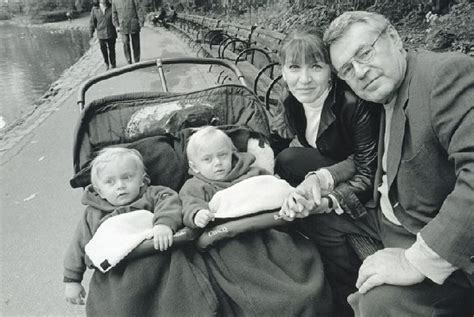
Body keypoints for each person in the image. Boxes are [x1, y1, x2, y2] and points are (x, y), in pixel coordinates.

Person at [291, 11, 474, 316]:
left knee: (379, 304)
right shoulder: (382, 93)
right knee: (315, 219)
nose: (360, 71)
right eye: (347, 69)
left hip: (428, 231)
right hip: (387, 214)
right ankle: (349, 294)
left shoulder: (444, 75)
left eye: (364, 52)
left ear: (394, 38)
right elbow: (371, 159)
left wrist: (414, 260)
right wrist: (322, 181)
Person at [179, 126, 333, 316]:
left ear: (233, 153)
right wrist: (197, 214)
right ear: (195, 167)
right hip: (233, 242)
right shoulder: (196, 185)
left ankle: (307, 299)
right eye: (207, 159)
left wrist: (289, 197)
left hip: (272, 231)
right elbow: (188, 206)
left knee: (300, 268)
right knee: (258, 292)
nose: (218, 163)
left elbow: (274, 188)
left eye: (222, 155)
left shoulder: (253, 172)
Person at [274, 26, 379, 222]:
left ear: (330, 71)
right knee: (283, 160)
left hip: (356, 177)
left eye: (316, 67)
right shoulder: (291, 98)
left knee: (287, 159)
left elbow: (368, 170)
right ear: (283, 72)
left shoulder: (352, 103)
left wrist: (328, 197)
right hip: (327, 166)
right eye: (294, 67)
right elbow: (276, 139)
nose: (304, 80)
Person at [63, 147, 182, 305]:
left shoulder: (154, 195)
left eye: (127, 177)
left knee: (179, 291)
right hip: (117, 272)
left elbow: (170, 203)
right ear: (100, 191)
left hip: (157, 261)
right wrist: (72, 280)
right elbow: (78, 245)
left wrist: (164, 224)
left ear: (142, 179)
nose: (120, 185)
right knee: (110, 304)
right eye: (110, 182)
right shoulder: (93, 214)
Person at [112, 0, 144, 64]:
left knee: (136, 43)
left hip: (133, 23)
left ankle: (137, 60)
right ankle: (129, 60)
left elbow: (139, 9)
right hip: (123, 25)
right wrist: (116, 25)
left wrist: (141, 21)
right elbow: (114, 14)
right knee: (125, 42)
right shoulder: (115, 1)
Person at [89, 0, 117, 70]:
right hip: (101, 33)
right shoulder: (95, 9)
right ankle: (106, 63)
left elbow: (115, 17)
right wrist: (91, 34)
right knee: (103, 49)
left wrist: (118, 26)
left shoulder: (111, 7)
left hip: (111, 32)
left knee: (112, 49)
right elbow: (92, 22)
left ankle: (113, 63)